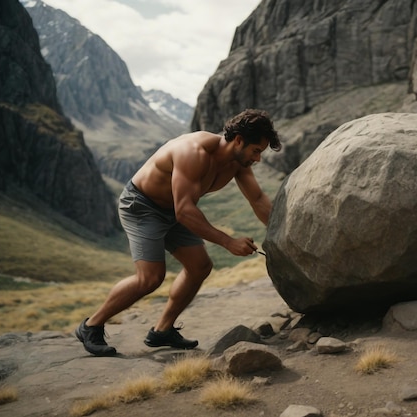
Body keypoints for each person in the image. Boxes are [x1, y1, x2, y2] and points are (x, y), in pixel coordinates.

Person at [76, 109, 281, 356]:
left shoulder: (238, 162)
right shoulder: (193, 152)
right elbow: (184, 211)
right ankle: (91, 325)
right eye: (256, 151)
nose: (257, 159)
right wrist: (228, 242)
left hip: (175, 209)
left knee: (200, 266)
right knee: (150, 278)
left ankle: (162, 331)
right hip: (142, 206)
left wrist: (281, 233)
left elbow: (258, 199)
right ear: (238, 140)